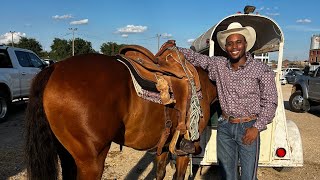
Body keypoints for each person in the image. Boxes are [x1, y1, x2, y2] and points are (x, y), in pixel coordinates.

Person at [176, 22, 278, 180]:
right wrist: (174, 48)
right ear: (225, 47)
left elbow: (270, 101)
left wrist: (256, 128)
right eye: (229, 43)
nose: (234, 46)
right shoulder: (219, 65)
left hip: (248, 126)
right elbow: (196, 58)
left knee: (248, 177)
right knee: (227, 175)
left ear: (245, 44)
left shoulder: (261, 69)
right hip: (225, 126)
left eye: (238, 42)